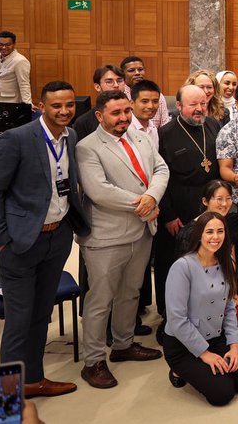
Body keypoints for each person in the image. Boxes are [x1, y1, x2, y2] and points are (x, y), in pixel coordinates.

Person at [0, 81, 89, 398]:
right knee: (18, 322)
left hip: (57, 238)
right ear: (41, 105)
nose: (64, 111)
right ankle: (8, 401)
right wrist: (2, 238)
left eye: (69, 105)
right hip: (20, 243)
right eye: (56, 106)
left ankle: (33, 380)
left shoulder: (72, 136)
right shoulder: (17, 138)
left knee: (40, 315)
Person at [76, 90, 169, 388]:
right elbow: (99, 190)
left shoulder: (139, 137)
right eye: (116, 113)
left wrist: (152, 195)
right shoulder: (87, 147)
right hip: (107, 235)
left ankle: (123, 345)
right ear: (100, 115)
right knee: (100, 300)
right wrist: (144, 204)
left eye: (126, 111)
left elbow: (161, 169)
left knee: (131, 292)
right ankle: (93, 362)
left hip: (141, 231)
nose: (124, 118)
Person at [162, 212, 238, 406]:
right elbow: (176, 320)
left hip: (215, 335)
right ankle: (178, 370)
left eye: (220, 231)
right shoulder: (183, 267)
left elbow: (229, 307)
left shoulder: (226, 263)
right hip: (183, 344)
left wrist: (235, 345)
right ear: (199, 235)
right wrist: (205, 354)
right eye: (209, 231)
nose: (216, 237)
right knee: (222, 393)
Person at [156, 85, 221, 327]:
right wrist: (169, 215)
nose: (199, 109)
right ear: (179, 106)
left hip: (208, 207)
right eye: (193, 104)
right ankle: (168, 314)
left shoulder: (213, 125)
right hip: (178, 208)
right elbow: (161, 178)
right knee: (174, 263)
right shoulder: (165, 133)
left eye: (202, 103)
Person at [72, 65, 125, 140]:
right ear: (97, 87)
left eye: (119, 81)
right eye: (109, 82)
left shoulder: (134, 114)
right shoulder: (83, 122)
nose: (116, 85)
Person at [120, 56, 170, 130]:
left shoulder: (158, 96)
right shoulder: (120, 96)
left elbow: (165, 125)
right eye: (131, 70)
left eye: (140, 69)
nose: (137, 73)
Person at [128, 80, 163, 151]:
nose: (151, 106)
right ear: (131, 103)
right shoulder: (125, 129)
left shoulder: (152, 128)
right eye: (144, 101)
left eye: (155, 101)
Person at [0, 30, 31, 104]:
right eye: (1, 44)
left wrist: (28, 104)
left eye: (7, 45)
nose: (3, 47)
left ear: (14, 44)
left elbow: (24, 84)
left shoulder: (20, 60)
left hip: (9, 102)